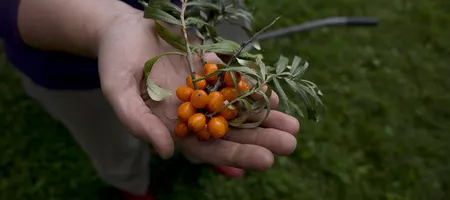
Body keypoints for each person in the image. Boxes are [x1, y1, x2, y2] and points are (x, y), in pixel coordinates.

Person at [0, 0, 300, 199]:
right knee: (107, 140)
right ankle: (129, 183)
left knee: (201, 134)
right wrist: (109, 23)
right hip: (66, 67)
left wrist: (229, 33)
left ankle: (201, 154)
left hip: (190, 35)